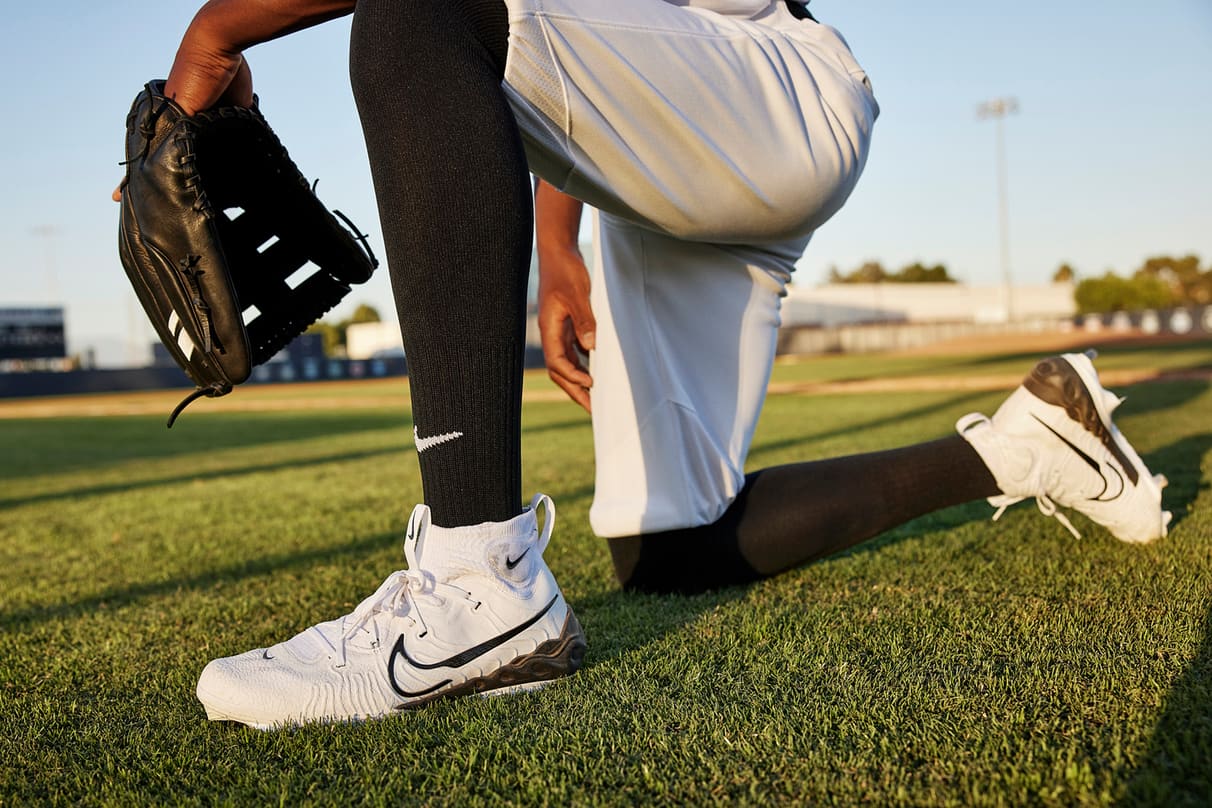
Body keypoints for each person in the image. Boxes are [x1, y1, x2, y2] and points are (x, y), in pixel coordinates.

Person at [130, 0, 1170, 729]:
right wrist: (558, 249)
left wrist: (215, 31)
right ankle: (1029, 446)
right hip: (687, 118)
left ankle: (477, 580)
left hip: (769, 85)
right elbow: (589, 49)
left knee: (412, 15)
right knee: (670, 545)